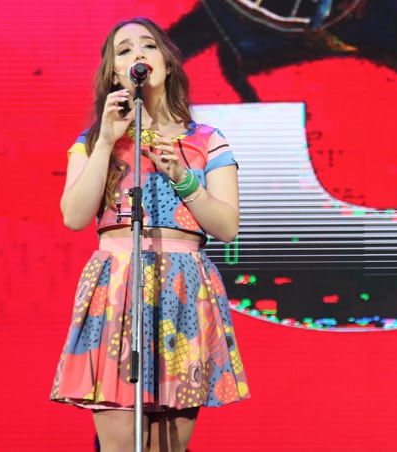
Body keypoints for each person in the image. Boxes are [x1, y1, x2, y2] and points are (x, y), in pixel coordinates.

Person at [50, 17, 249, 451]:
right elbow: (74, 216)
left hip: (183, 292)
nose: (137, 55)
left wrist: (183, 179)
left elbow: (227, 226)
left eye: (148, 46)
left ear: (168, 64)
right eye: (124, 51)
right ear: (114, 74)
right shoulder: (92, 141)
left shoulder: (207, 140)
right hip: (118, 287)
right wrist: (105, 142)